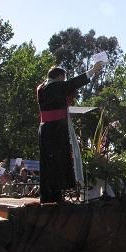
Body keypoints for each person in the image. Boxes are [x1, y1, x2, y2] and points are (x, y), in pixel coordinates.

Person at [37, 62, 103, 203]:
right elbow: (73, 84)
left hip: (46, 128)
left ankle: (49, 195)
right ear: (59, 77)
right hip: (55, 130)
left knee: (48, 163)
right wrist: (92, 70)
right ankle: (54, 196)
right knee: (58, 162)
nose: (64, 81)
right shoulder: (54, 86)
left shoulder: (42, 87)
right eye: (63, 78)